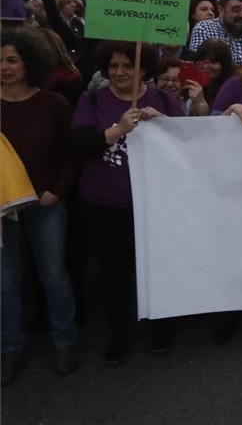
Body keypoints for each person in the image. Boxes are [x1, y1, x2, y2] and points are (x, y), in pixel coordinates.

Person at [69, 41, 183, 366]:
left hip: (156, 203)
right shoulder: (92, 99)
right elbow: (78, 143)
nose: (119, 72)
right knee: (114, 273)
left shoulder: (162, 99)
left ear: (143, 70)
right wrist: (117, 130)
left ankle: (161, 325)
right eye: (113, 66)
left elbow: (190, 142)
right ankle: (119, 331)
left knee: (157, 267)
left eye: (127, 66)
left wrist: (164, 121)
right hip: (106, 204)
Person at [1, 28, 80, 385]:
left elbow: (71, 154)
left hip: (46, 204)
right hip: (4, 211)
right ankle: (11, 347)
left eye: (12, 60)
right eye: (0, 61)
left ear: (29, 63)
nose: (4, 67)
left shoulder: (52, 104)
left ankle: (64, 340)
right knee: (6, 281)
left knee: (53, 277)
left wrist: (56, 191)